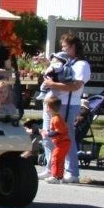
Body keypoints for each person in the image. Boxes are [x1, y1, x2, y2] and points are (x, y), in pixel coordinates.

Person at [40, 33, 90, 183]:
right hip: (51, 103)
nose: (62, 49)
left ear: (73, 47)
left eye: (65, 47)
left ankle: (72, 172)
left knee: (65, 139)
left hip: (67, 105)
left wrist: (52, 85)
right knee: (48, 137)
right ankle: (51, 169)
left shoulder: (81, 65)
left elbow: (76, 86)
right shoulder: (62, 62)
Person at [43, 96, 71, 184]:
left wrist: (47, 133)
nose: (46, 108)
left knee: (55, 158)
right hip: (63, 143)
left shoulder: (56, 119)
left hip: (62, 143)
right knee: (60, 159)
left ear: (49, 108)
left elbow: (58, 132)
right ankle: (59, 176)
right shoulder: (56, 118)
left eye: (46, 106)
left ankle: (54, 176)